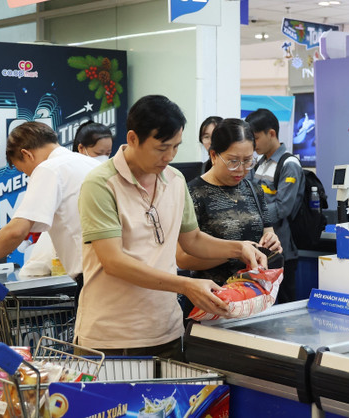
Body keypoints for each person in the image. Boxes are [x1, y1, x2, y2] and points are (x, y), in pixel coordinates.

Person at [75, 95, 266, 359]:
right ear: (132, 139)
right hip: (112, 337)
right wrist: (185, 285)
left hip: (167, 330)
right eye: (161, 147)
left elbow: (193, 240)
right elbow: (114, 261)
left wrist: (240, 248)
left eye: (176, 146)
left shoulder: (174, 180)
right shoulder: (100, 184)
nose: (170, 156)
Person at [0, 122, 100, 295]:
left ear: (27, 154)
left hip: (93, 279)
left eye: (25, 172)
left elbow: (16, 231)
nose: (29, 176)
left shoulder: (49, 169)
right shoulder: (91, 164)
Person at [178, 118, 282, 286]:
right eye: (233, 161)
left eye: (248, 160)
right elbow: (183, 259)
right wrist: (237, 252)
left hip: (255, 293)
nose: (241, 169)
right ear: (213, 155)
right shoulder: (192, 193)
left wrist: (271, 241)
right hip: (214, 298)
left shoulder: (253, 190)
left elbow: (266, 233)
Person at [246, 108, 304, 303]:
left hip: (282, 251)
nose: (253, 145)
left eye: (256, 138)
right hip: (262, 248)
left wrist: (251, 216)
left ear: (271, 133)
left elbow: (282, 208)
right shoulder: (259, 163)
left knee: (284, 304)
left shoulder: (289, 164)